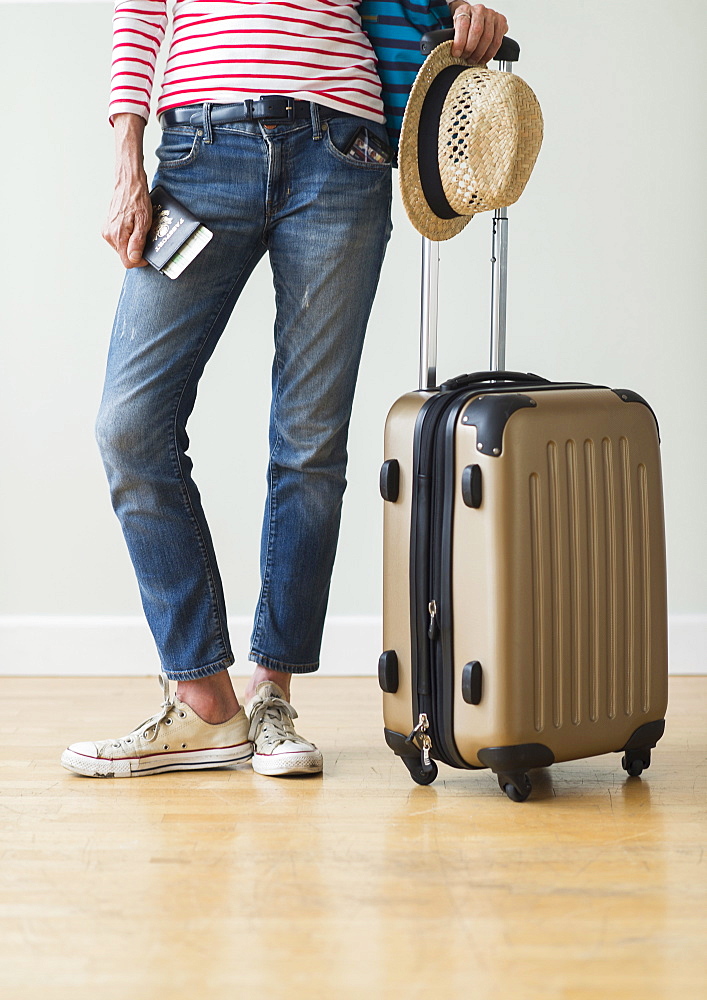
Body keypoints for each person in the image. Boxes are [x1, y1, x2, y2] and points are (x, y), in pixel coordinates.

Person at [61, 1, 508, 779]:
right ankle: (204, 703)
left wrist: (464, 13)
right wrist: (125, 160)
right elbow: (138, 10)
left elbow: (407, 9)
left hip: (344, 151)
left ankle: (272, 695)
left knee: (309, 443)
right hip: (203, 149)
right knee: (129, 425)